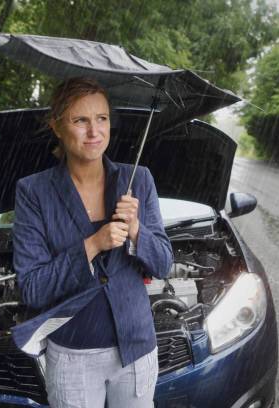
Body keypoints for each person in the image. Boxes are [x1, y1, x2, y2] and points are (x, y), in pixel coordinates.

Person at [12, 77, 173, 408]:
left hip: (137, 350)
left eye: (101, 118)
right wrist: (93, 244)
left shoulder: (138, 180)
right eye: (80, 120)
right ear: (57, 126)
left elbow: (163, 263)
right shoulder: (33, 192)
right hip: (72, 357)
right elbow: (32, 287)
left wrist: (137, 230)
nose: (94, 131)